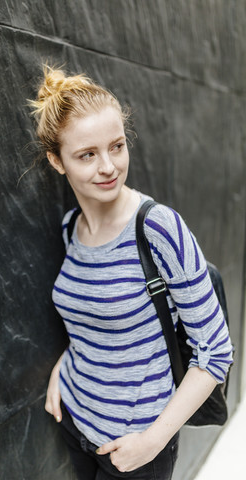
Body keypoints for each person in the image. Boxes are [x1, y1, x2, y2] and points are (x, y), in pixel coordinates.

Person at [28, 66, 233, 480]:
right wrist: (62, 368)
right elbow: (95, 316)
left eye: (117, 146)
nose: (109, 167)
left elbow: (216, 352)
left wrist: (153, 442)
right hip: (75, 421)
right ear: (56, 161)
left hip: (137, 447)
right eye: (87, 154)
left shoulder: (157, 228)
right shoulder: (72, 227)